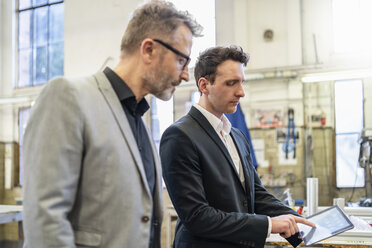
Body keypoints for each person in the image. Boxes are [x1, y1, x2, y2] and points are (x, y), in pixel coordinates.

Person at [22, 1, 202, 248]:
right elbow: (45, 218)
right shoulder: (68, 97)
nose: (185, 75)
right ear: (149, 49)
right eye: (182, 60)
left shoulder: (139, 122)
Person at [160, 46, 314, 248]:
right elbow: (197, 216)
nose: (241, 92)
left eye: (242, 83)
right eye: (231, 83)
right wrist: (269, 225)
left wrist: (299, 221)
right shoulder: (180, 136)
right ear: (204, 85)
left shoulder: (237, 136)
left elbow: (256, 194)